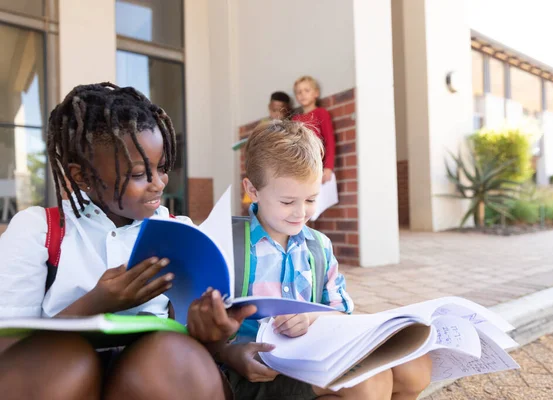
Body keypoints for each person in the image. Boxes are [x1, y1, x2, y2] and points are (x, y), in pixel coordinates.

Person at [0, 82, 254, 400]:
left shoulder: (181, 233)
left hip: (151, 384)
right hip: (60, 382)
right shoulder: (40, 231)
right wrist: (96, 304)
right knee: (70, 363)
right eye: (138, 174)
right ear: (82, 177)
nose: (158, 184)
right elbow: (9, 349)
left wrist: (214, 335)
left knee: (173, 356)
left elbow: (201, 353)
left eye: (162, 168)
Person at [214, 119, 433, 400]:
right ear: (253, 190)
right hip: (253, 374)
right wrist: (229, 352)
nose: (300, 213)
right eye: (287, 201)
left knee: (416, 368)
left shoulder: (319, 246)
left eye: (311, 199)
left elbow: (340, 312)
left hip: (311, 361)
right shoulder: (227, 244)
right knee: (368, 381)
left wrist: (310, 316)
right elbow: (200, 330)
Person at [292, 76, 335, 183]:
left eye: (306, 90)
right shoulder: (295, 119)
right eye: (299, 92)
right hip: (300, 168)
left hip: (318, 166)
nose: (302, 94)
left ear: (316, 93)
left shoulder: (321, 113)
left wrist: (328, 167)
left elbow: (329, 141)